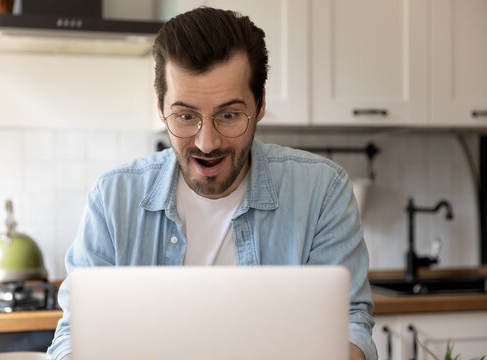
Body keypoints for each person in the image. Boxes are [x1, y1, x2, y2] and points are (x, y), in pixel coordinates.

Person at [47, 6, 377, 360]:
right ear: (160, 107)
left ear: (261, 103)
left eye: (229, 115)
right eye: (186, 116)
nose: (207, 143)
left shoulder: (323, 191)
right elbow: (74, 333)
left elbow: (349, 323)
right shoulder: (112, 199)